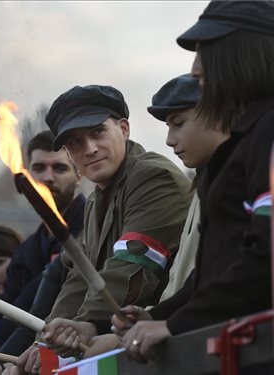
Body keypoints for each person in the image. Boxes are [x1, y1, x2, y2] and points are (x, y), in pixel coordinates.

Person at [113, 0, 274, 364]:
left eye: (206, 51)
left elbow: (273, 258)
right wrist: (160, 316)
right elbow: (218, 271)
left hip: (265, 356)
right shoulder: (252, 138)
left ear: (241, 54)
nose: (196, 68)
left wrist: (177, 324)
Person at [9, 84, 193, 374]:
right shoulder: (97, 199)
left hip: (166, 349)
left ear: (124, 129)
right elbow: (79, 276)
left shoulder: (154, 178)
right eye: (75, 142)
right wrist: (46, 341)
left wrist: (86, 325)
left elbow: (133, 263)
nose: (90, 149)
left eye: (98, 132)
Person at [86, 73, 230, 356]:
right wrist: (152, 317)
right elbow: (197, 282)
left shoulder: (156, 177)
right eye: (74, 143)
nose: (168, 139)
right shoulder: (209, 182)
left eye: (178, 124)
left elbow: (239, 279)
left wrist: (98, 327)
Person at [0, 130, 85, 375]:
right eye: (39, 168)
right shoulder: (26, 251)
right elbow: (8, 313)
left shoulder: (91, 226)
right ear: (26, 177)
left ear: (79, 175)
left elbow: (38, 310)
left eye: (59, 168)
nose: (48, 177)